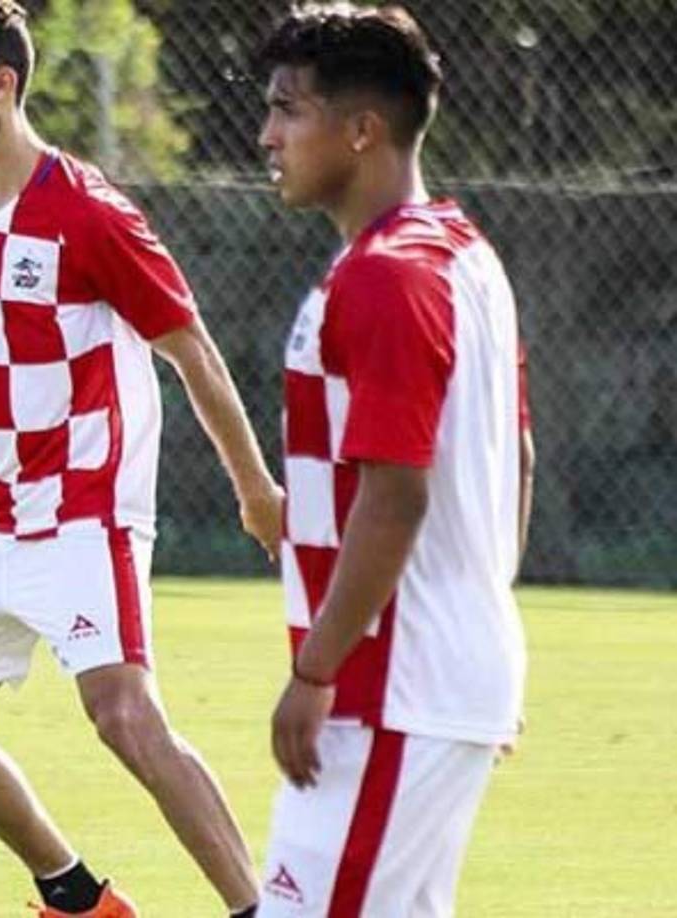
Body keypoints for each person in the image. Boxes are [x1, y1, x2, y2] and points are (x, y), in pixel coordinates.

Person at [0, 2, 280, 916]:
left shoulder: (89, 212)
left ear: (2, 84)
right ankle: (77, 898)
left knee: (125, 718)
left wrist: (256, 490)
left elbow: (192, 350)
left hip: (87, 516)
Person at [254, 4, 535, 916]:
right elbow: (518, 460)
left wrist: (315, 671)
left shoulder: (385, 275)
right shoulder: (463, 255)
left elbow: (396, 496)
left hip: (390, 690)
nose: (267, 136)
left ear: (362, 130)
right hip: (430, 682)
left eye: (288, 109)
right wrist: (483, 637)